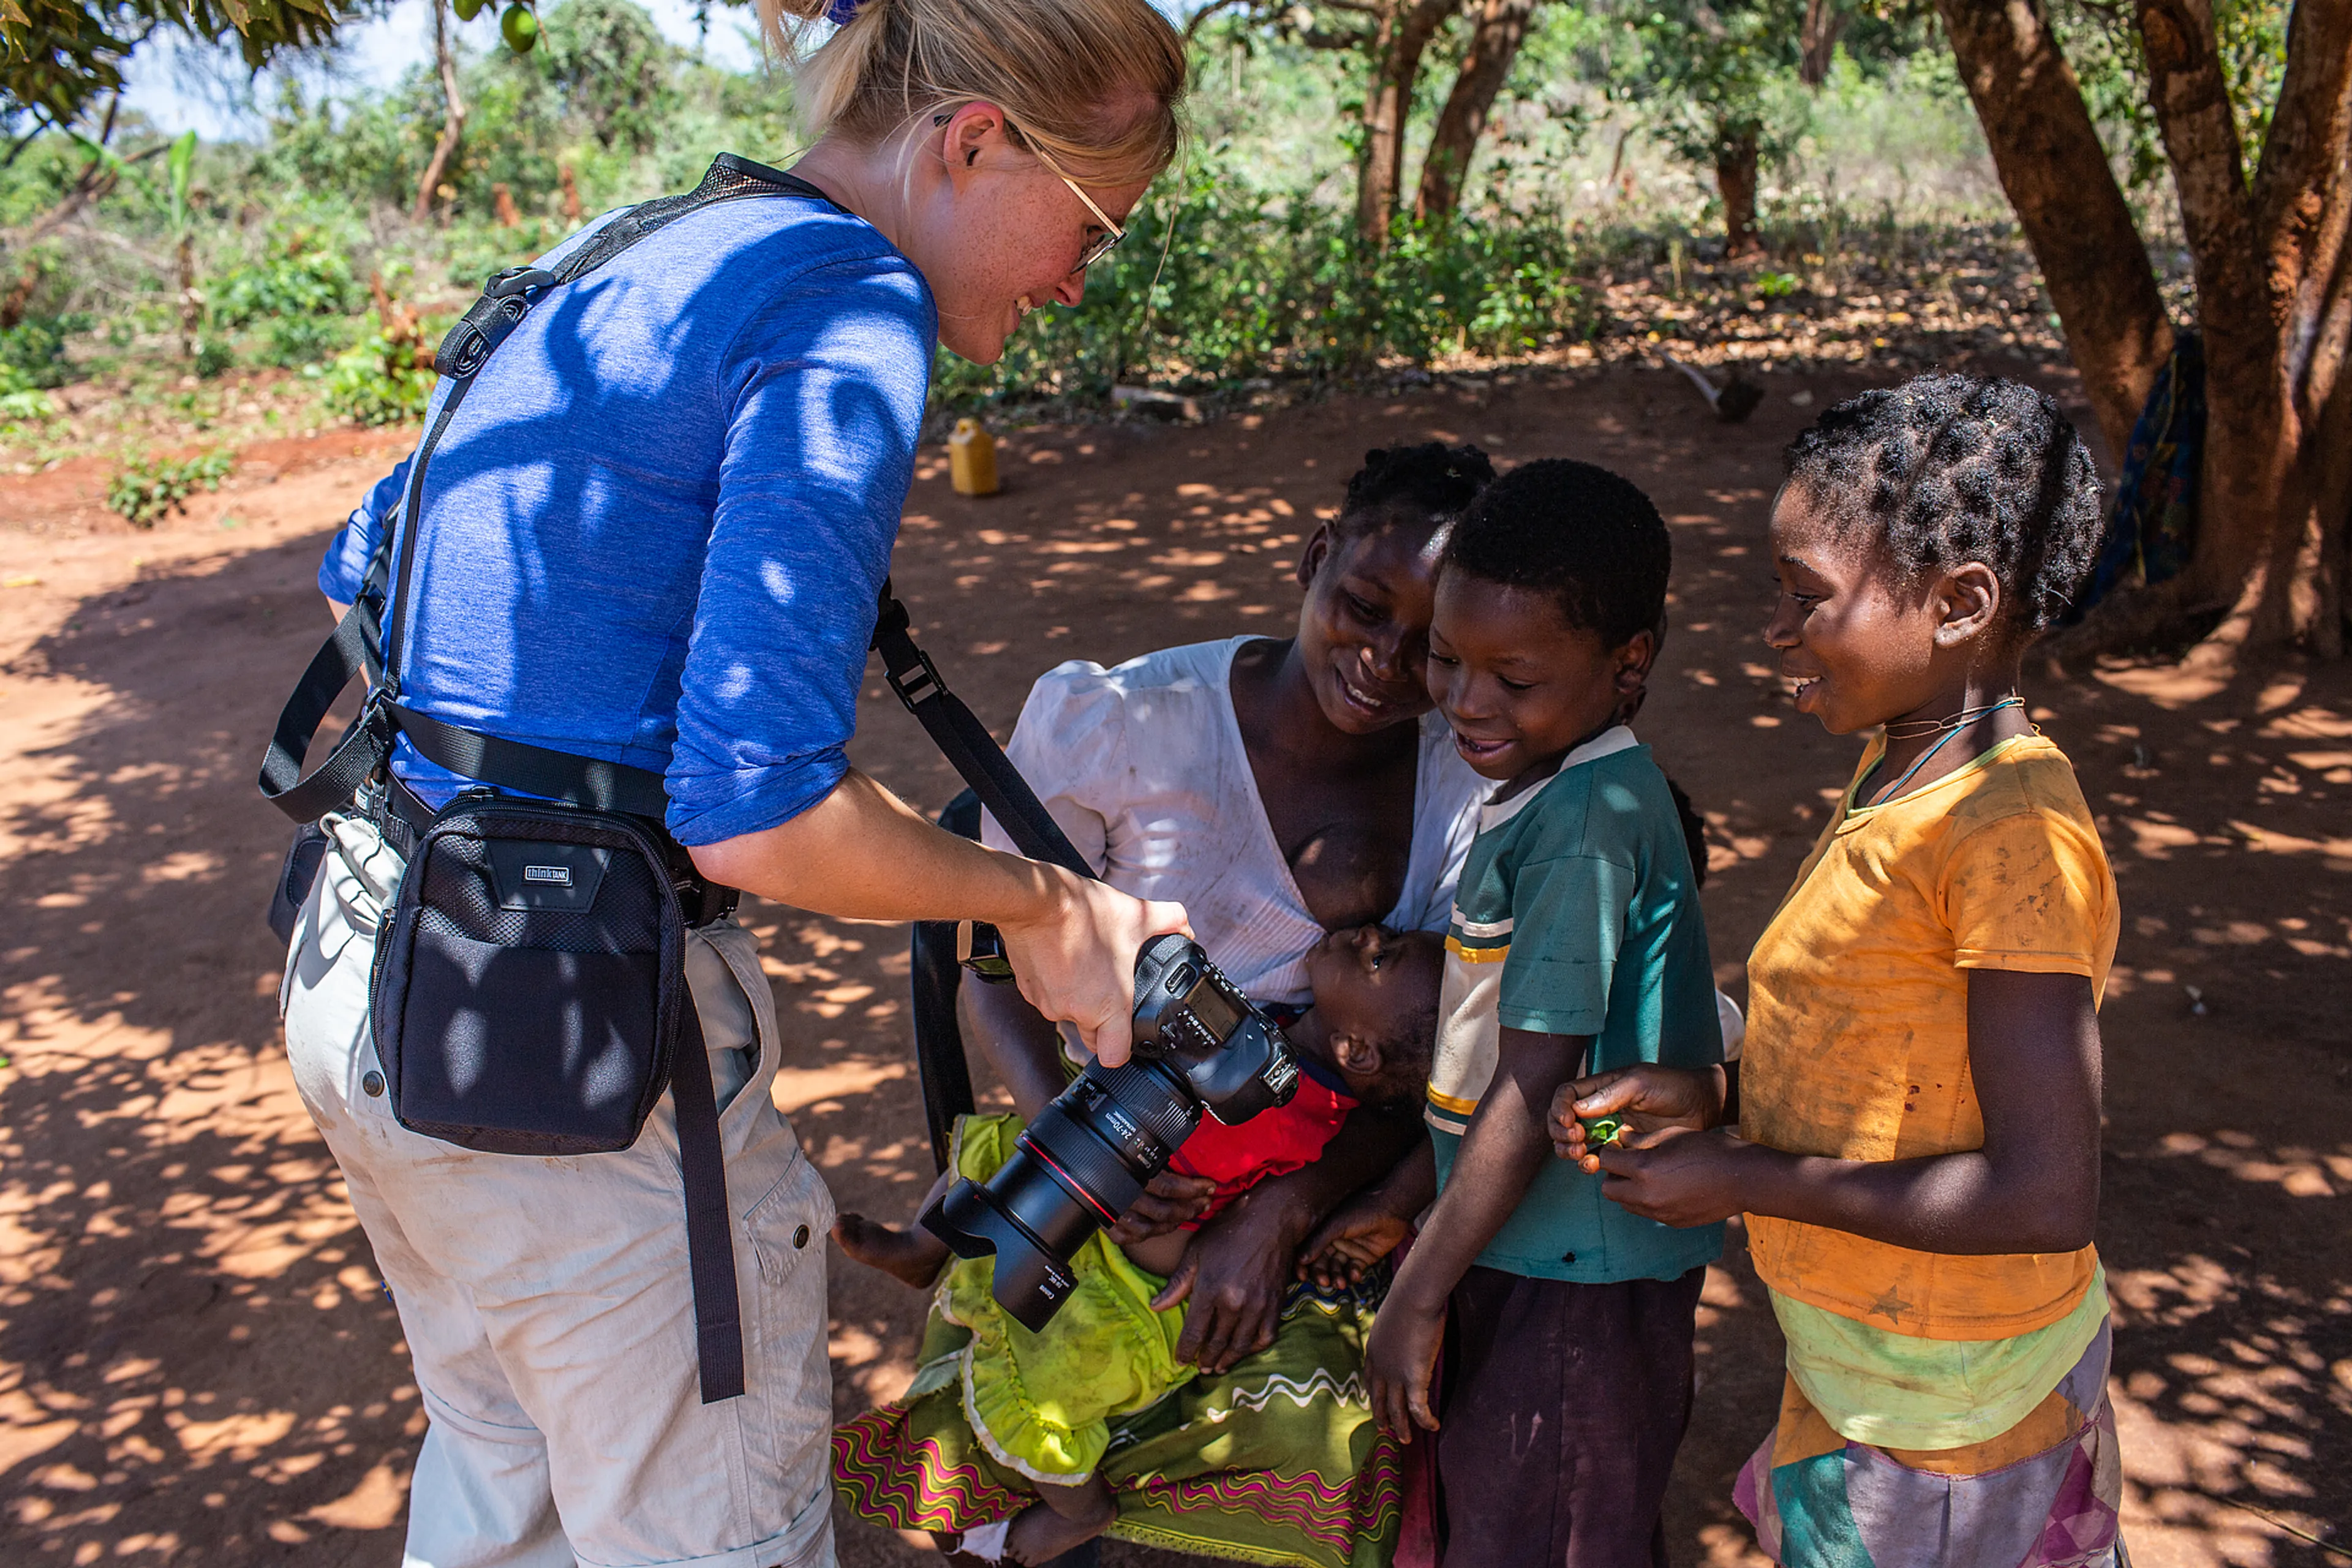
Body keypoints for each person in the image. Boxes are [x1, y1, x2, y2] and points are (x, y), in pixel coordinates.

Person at [276, 4, 1191, 1564]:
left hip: (378, 965)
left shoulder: (643, 243)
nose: (1076, 280)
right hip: (579, 1042)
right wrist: (1047, 905)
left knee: (506, 1482)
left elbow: (365, 561)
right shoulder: (850, 305)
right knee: (705, 1531)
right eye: (1094, 225)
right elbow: (758, 811)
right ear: (974, 142)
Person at [832, 443, 1495, 1568]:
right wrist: (1085, 1144)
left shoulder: (1465, 795)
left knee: (1343, 1437)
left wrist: (1277, 1216)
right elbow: (991, 966)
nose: (1385, 662)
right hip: (1092, 1123)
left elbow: (1422, 1065)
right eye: (1362, 607)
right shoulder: (1124, 725)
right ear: (1316, 557)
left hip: (1308, 1165)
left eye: (1428, 646)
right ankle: (1041, 1488)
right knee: (1047, 1315)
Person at [1552, 375, 2124, 1565]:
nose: (1775, 628)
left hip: (1951, 1409)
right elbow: (1888, 1050)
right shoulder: (1906, 769)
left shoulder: (2012, 832)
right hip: (1876, 1366)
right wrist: (1716, 1098)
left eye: (1806, 596)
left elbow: (2043, 1192)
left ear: (1960, 605)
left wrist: (1746, 1174)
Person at [1354, 458, 1727, 1564]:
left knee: (1545, 1527)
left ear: (1628, 665)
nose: (1467, 700)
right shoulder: (1554, 787)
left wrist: (1417, 1292)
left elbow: (1529, 1083)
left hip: (1576, 1275)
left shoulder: (1582, 824)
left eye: (1513, 677)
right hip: (1537, 1248)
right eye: (1447, 657)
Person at [835, 924, 1443, 1563]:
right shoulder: (1283, 1034)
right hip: (1112, 1207)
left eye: (1381, 958)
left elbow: (1192, 1165)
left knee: (1046, 1388)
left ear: (1357, 1050)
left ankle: (1077, 1510)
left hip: (1136, 1289)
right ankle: (924, 1246)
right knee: (1010, 1142)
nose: (1368, 934)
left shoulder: (1305, 1110)